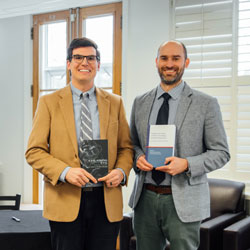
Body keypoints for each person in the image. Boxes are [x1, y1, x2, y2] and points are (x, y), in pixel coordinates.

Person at [25, 37, 133, 250]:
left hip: (105, 200)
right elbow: (34, 151)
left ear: (98, 64)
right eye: (78, 57)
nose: (85, 62)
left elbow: (126, 148)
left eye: (91, 58)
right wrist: (65, 171)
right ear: (68, 64)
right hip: (65, 199)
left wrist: (121, 171)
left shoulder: (115, 102)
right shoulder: (48, 102)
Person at [128, 40, 230, 250]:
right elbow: (132, 144)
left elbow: (221, 153)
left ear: (186, 62)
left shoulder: (206, 103)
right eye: (164, 58)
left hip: (183, 200)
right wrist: (137, 157)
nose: (169, 64)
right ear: (157, 62)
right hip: (144, 198)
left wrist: (187, 164)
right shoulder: (140, 102)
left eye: (176, 58)